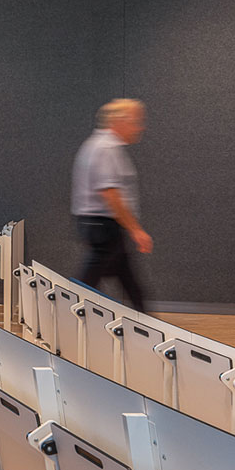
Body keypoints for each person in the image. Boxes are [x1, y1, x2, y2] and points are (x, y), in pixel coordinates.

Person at [71, 98, 151, 312]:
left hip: (104, 225)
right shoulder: (106, 148)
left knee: (128, 278)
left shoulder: (100, 145)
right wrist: (136, 230)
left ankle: (144, 320)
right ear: (119, 122)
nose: (140, 127)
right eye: (136, 121)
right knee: (88, 282)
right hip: (103, 225)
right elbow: (111, 193)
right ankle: (66, 311)